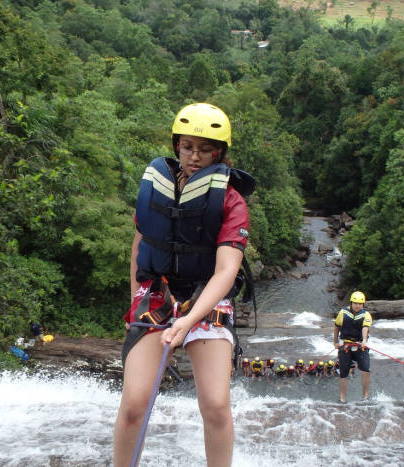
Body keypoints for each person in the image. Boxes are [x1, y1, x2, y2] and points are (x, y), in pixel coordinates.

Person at [114, 103, 254, 467]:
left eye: (205, 149)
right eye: (188, 146)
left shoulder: (231, 201)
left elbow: (225, 271)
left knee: (216, 405)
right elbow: (139, 244)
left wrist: (186, 323)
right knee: (133, 404)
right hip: (157, 292)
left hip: (206, 296)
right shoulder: (157, 188)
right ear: (176, 145)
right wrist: (134, 302)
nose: (195, 156)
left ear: (219, 153)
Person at [334, 291, 373, 403]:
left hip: (360, 344)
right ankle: (342, 398)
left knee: (366, 369)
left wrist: (364, 340)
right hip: (345, 345)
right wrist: (335, 341)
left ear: (363, 304)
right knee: (343, 373)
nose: (357, 305)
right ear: (351, 303)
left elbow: (365, 328)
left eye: (360, 304)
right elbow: (336, 327)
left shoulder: (366, 315)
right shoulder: (343, 313)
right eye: (355, 303)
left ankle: (365, 396)